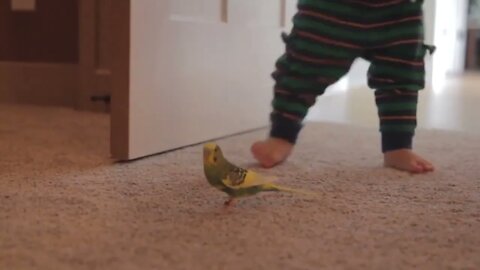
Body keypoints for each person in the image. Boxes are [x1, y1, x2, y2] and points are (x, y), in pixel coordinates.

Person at [251, 0, 435, 173]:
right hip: (330, 7)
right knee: (304, 67)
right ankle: (281, 135)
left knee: (401, 74)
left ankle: (398, 145)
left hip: (399, 10)